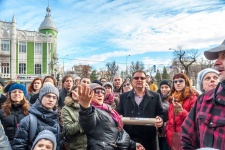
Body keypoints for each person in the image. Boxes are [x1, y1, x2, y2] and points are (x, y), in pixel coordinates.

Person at [181, 39, 225, 149]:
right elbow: (187, 140)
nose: (216, 62)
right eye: (218, 57)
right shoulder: (204, 100)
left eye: (224, 56)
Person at [78, 83, 145, 150]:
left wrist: (133, 144)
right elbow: (87, 122)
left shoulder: (109, 109)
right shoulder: (92, 111)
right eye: (96, 92)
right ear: (88, 95)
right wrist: (85, 108)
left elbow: (114, 133)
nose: (100, 94)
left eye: (102, 92)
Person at [117, 70, 164, 150]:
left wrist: (160, 119)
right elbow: (118, 113)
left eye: (142, 78)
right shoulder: (123, 97)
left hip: (149, 138)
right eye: (136, 78)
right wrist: (119, 117)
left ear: (146, 80)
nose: (139, 80)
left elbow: (161, 113)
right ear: (132, 81)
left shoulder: (156, 96)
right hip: (129, 138)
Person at [12, 82, 63, 150]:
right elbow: (19, 146)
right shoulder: (28, 121)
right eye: (48, 96)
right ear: (41, 97)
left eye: (54, 97)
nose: (51, 100)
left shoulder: (58, 119)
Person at [166, 73, 198, 148]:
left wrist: (182, 111)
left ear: (186, 82)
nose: (178, 83)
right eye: (175, 81)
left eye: (181, 81)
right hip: (171, 136)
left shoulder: (192, 98)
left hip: (186, 137)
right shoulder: (172, 97)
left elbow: (195, 120)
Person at [157, 80, 172, 150]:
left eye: (166, 87)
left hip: (167, 131)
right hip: (157, 131)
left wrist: (165, 125)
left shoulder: (172, 99)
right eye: (162, 87)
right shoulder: (156, 98)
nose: (164, 89)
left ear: (170, 88)